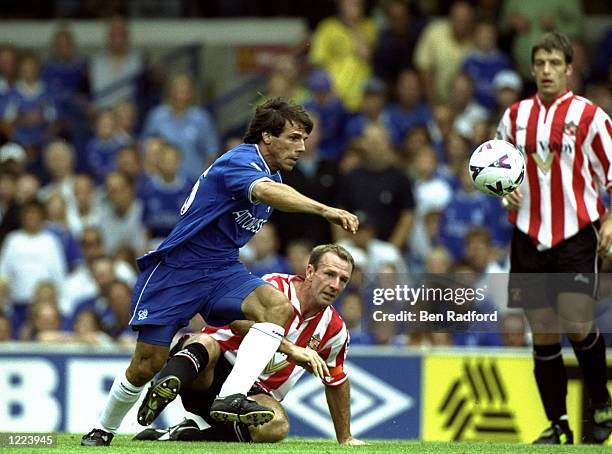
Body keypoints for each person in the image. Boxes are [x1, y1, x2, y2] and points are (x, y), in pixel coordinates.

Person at [81, 97, 359, 446]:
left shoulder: (271, 172)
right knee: (146, 365)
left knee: (276, 307)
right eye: (293, 138)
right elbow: (267, 192)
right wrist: (324, 210)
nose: (301, 147)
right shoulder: (241, 161)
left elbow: (268, 190)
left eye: (304, 139)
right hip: (178, 268)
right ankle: (102, 430)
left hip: (222, 267)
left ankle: (231, 396)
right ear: (267, 138)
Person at [496, 32, 612, 445]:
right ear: (532, 69)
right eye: (540, 63)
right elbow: (495, 166)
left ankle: (601, 403)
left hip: (577, 230)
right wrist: (501, 188)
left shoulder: (591, 116)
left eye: (554, 64)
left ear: (568, 69)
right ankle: (558, 422)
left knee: (577, 320)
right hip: (528, 233)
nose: (546, 70)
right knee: (543, 329)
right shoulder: (513, 117)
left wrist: (610, 218)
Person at [134, 244, 364, 445]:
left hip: (252, 396)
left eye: (343, 280)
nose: (335, 285)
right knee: (205, 341)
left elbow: (336, 381)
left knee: (276, 426)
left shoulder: (335, 330)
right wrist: (290, 349)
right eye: (329, 274)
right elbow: (236, 320)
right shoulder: (273, 287)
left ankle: (182, 435)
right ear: (310, 271)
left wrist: (345, 437)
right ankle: (165, 385)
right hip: (212, 368)